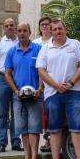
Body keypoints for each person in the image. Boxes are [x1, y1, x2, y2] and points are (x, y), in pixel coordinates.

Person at [36, 18, 80, 159]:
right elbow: (41, 70)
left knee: (77, 128)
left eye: (60, 28)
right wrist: (56, 85)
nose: (57, 31)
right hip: (53, 93)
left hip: (74, 91)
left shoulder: (75, 44)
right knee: (55, 129)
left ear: (65, 29)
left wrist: (70, 83)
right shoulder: (45, 48)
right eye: (54, 29)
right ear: (51, 31)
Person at [4, 22, 44, 159]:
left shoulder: (38, 49)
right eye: (19, 30)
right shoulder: (11, 51)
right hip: (18, 96)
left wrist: (40, 88)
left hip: (35, 96)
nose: (21, 33)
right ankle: (26, 158)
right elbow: (7, 73)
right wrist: (15, 90)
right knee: (22, 128)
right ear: (17, 33)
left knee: (34, 128)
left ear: (30, 32)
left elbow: (42, 70)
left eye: (24, 31)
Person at [0, 18, 21, 152]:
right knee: (2, 112)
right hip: (2, 79)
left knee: (16, 112)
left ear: (15, 27)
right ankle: (2, 142)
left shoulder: (22, 42)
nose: (9, 27)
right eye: (6, 25)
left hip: (18, 80)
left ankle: (15, 142)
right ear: (4, 28)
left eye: (11, 25)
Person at [33, 16, 53, 152]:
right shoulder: (35, 43)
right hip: (38, 83)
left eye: (47, 24)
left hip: (53, 83)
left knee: (52, 114)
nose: (45, 27)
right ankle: (47, 141)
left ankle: (52, 142)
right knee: (43, 115)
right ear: (39, 27)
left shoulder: (55, 41)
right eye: (42, 25)